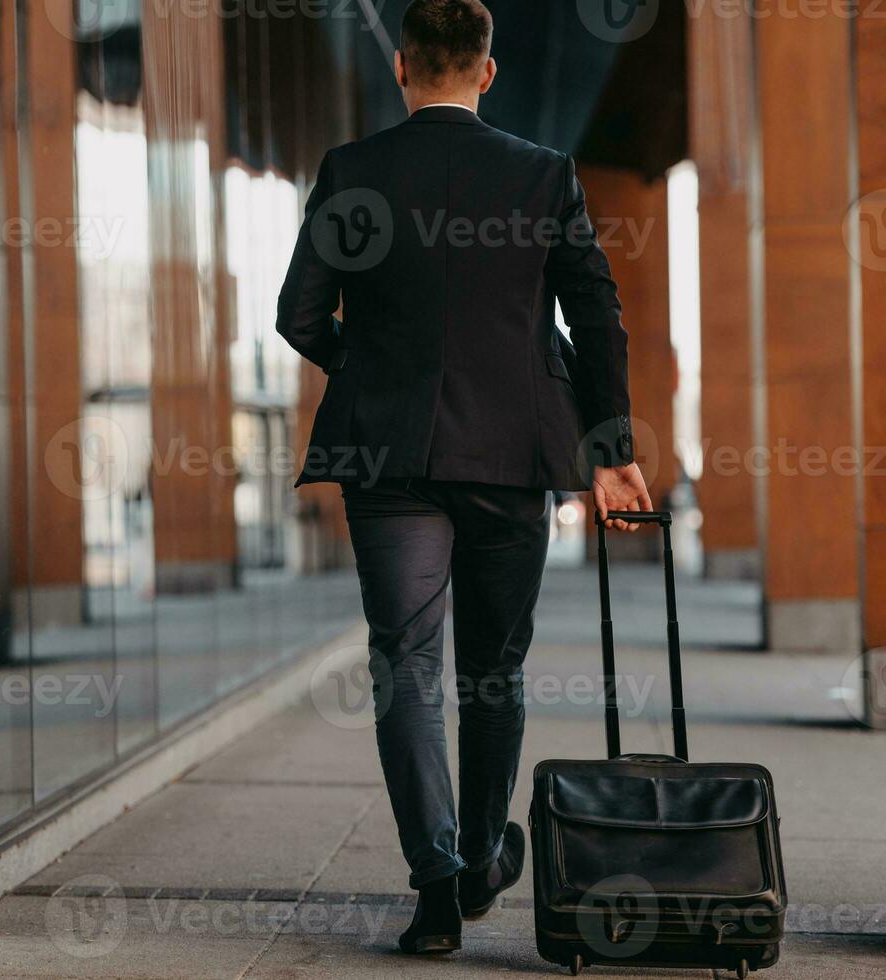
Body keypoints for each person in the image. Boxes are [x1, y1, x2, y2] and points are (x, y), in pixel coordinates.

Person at [275, 0, 651, 955]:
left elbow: (299, 314)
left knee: (405, 667)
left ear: (403, 68)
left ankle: (438, 887)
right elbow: (597, 317)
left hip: (387, 458)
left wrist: (365, 365)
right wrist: (613, 453)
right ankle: (484, 853)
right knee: (493, 669)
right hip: (510, 456)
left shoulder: (354, 173)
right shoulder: (541, 175)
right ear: (488, 73)